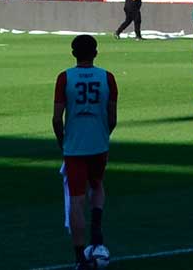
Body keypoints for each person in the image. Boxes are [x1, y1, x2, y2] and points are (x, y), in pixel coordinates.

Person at [52, 35, 117, 270]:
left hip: (74, 146)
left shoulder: (64, 78)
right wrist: (103, 135)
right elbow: (112, 117)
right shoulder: (107, 78)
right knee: (98, 184)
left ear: (73, 54)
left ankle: (80, 257)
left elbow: (57, 119)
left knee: (77, 199)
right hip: (99, 143)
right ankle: (97, 233)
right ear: (96, 53)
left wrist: (63, 142)